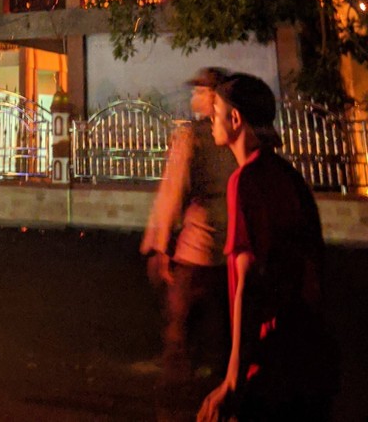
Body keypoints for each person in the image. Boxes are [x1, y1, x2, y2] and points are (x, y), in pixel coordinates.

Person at [198, 73, 338, 422]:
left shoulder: (246, 180)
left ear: (235, 119)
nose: (209, 118)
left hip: (273, 361)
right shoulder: (286, 175)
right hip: (308, 352)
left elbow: (249, 285)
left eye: (214, 110)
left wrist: (233, 380)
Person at [141, 67, 237, 380]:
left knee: (179, 317)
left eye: (200, 91)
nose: (194, 96)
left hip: (198, 243)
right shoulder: (238, 134)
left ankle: (176, 380)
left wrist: (160, 244)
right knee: (225, 317)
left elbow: (174, 191)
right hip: (234, 242)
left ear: (214, 97)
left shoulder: (191, 136)